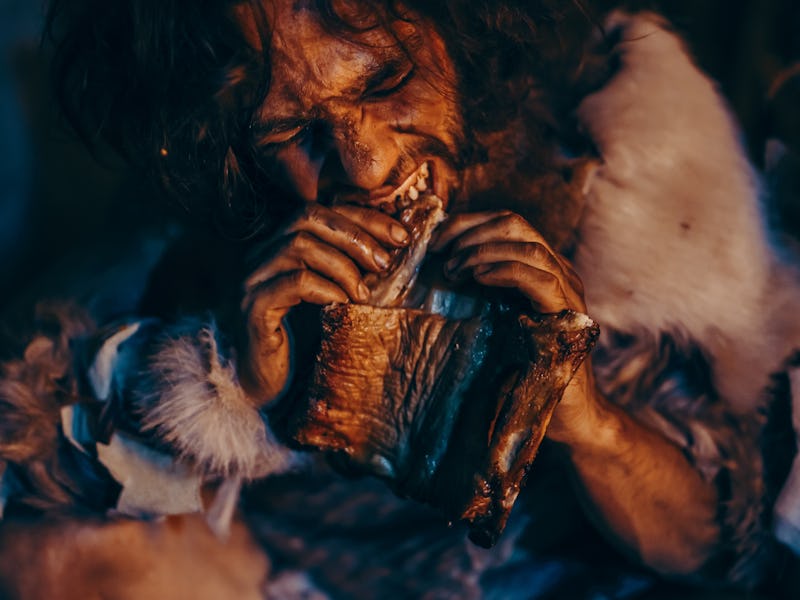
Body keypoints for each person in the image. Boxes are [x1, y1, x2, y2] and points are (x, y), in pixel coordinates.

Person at [1, 0, 798, 597]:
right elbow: (31, 467)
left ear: (459, 29)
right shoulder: (216, 241)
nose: (368, 163)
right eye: (293, 132)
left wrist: (589, 425)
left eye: (387, 82)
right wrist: (228, 390)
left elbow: (724, 553)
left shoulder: (616, 191)